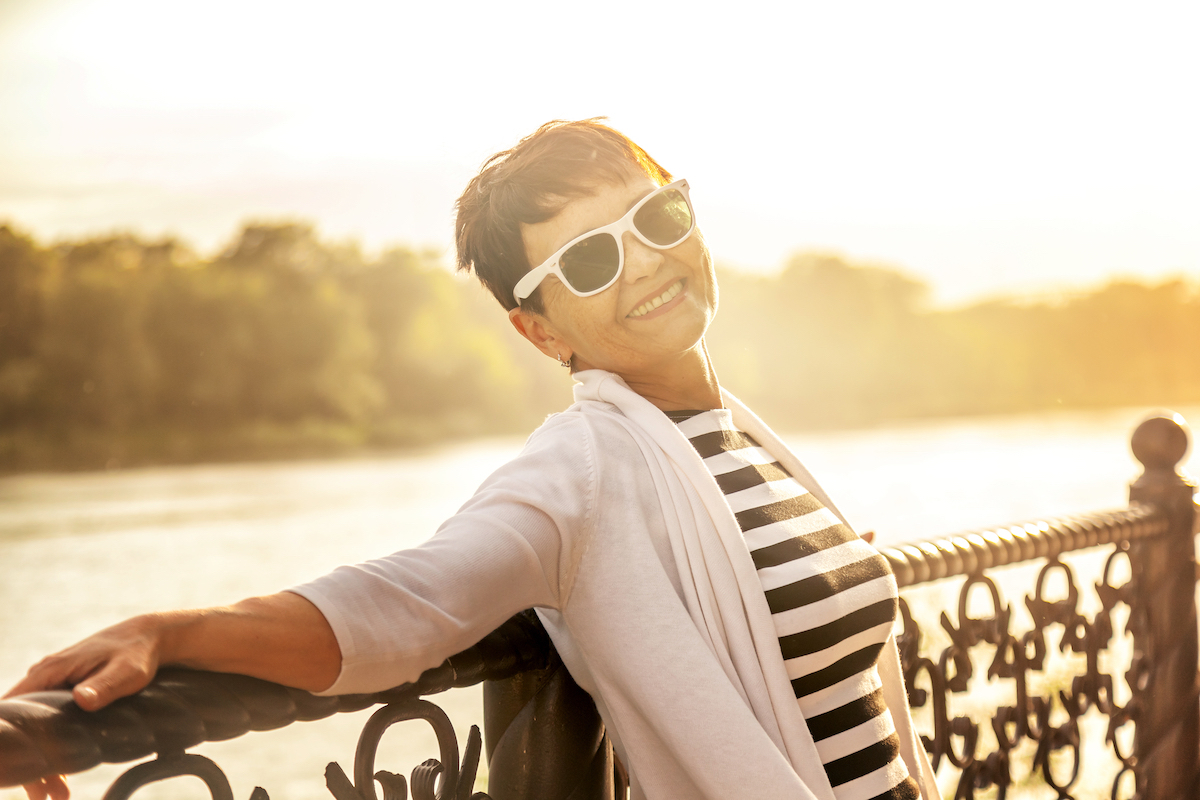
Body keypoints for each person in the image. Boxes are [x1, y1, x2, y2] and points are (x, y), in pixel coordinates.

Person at [6, 119, 939, 800]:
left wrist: (822, 564)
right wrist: (172, 633)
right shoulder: (581, 472)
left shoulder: (738, 437)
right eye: (586, 262)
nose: (646, 262)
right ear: (537, 330)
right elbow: (402, 605)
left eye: (655, 217)